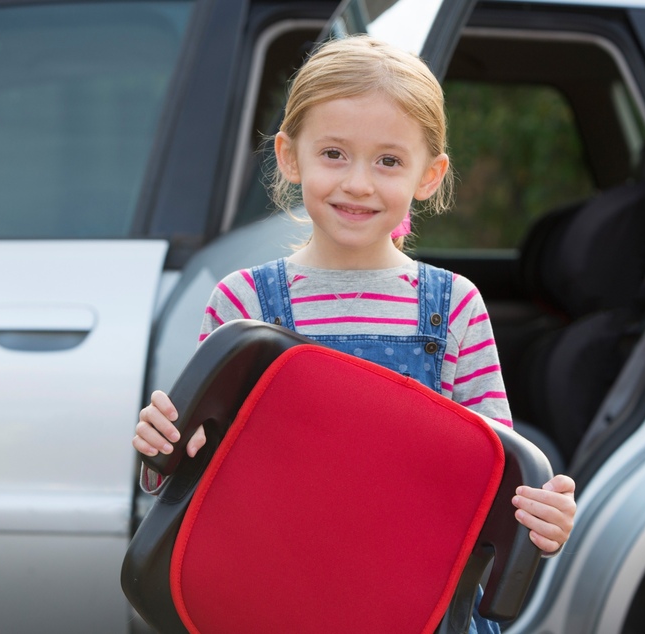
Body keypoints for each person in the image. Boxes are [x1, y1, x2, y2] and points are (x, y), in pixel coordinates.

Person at [133, 34, 576, 633]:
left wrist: (542, 518)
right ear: (290, 158)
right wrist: (163, 449)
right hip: (273, 592)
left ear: (430, 174)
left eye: (389, 161)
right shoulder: (244, 304)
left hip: (414, 601)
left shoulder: (453, 309)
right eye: (334, 153)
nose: (359, 183)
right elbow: (196, 475)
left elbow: (494, 475)